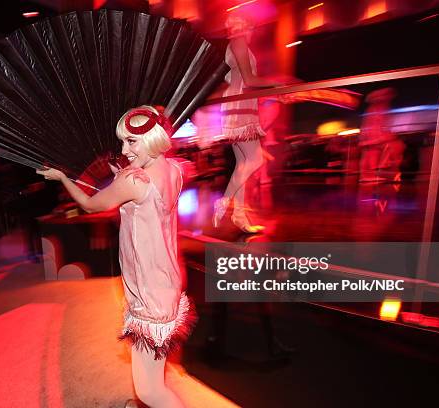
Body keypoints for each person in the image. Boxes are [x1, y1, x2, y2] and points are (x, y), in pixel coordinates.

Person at [38, 105, 193, 408]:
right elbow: (140, 194)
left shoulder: (134, 181)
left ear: (151, 138)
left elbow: (91, 204)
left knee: (149, 390)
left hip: (148, 287)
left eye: (131, 141)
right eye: (122, 141)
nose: (124, 148)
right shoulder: (174, 169)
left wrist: (63, 178)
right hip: (167, 277)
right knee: (153, 372)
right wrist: (123, 171)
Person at [213, 13, 280, 233]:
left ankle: (239, 215)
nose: (255, 29)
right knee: (256, 159)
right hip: (240, 107)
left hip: (241, 106)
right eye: (253, 25)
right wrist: (277, 84)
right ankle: (224, 201)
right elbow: (250, 80)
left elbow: (240, 79)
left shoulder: (236, 43)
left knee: (243, 163)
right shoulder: (239, 41)